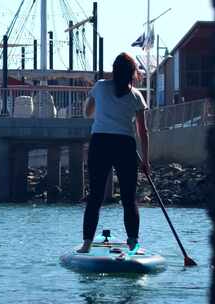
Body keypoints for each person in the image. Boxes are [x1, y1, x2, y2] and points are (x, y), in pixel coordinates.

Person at [77, 52, 150, 253]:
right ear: (132, 74)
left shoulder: (100, 86)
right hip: (125, 145)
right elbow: (142, 131)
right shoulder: (136, 95)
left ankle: (86, 244)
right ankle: (133, 243)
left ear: (114, 70)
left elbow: (87, 113)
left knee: (95, 197)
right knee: (129, 198)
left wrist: (96, 102)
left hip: (100, 143)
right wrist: (145, 160)